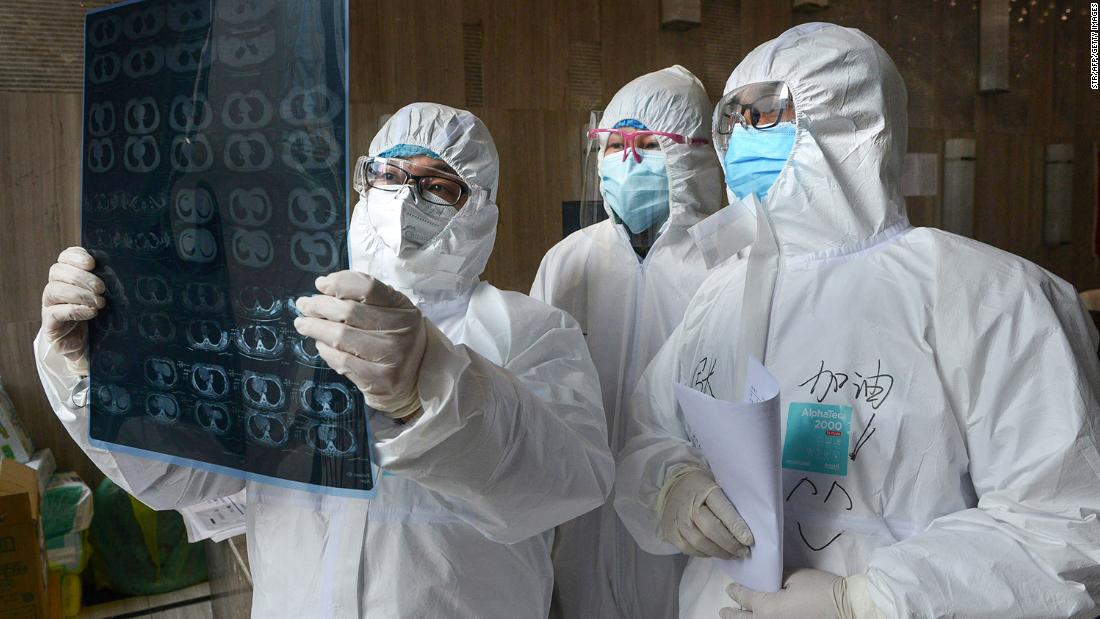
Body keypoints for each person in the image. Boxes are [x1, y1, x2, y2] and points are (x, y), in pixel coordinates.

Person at [36, 102, 614, 618]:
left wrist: (429, 385)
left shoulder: (530, 330)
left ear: (480, 206)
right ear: (363, 185)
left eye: (438, 186)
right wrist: (105, 372)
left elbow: (564, 486)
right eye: (388, 175)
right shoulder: (285, 320)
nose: (404, 197)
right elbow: (180, 478)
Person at [615, 23, 1100, 619]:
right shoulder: (724, 291)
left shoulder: (988, 297)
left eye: (764, 115)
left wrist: (867, 601)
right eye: (731, 120)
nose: (742, 137)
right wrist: (672, 487)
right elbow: (650, 432)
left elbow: (1064, 525)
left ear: (849, 121)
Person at [530, 65, 723, 619]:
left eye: (649, 144)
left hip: (688, 523)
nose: (628, 160)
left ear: (692, 156)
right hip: (581, 527)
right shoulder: (571, 261)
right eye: (615, 144)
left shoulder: (728, 262)